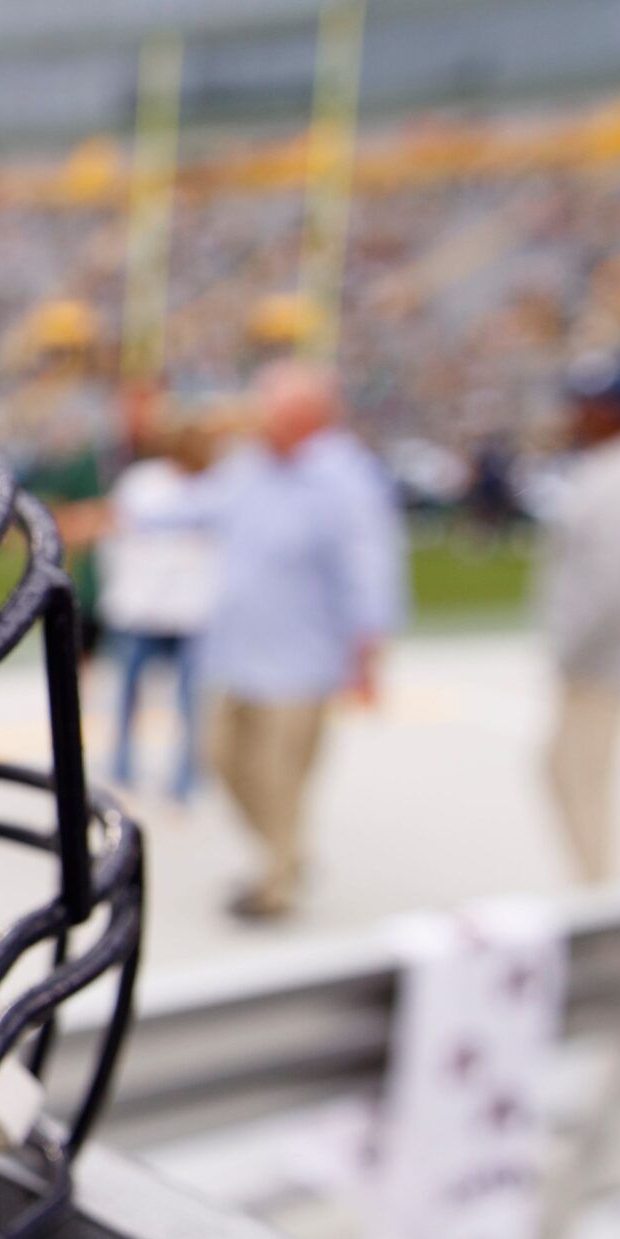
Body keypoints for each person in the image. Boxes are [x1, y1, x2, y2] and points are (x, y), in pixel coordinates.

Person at [199, 360, 404, 922]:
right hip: (236, 653)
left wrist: (368, 654)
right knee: (221, 760)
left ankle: (277, 883)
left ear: (305, 415)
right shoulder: (247, 468)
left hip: (301, 662)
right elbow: (200, 508)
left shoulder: (345, 478)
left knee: (281, 775)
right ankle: (284, 853)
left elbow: (370, 570)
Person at [99, 405, 222, 804]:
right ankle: (122, 767)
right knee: (129, 695)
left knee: (191, 703)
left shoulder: (219, 486)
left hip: (194, 612)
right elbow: (122, 536)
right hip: (142, 607)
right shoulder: (144, 482)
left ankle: (185, 778)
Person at [541, 354, 620, 884]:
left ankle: (597, 903)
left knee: (573, 775)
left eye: (590, 404)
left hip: (600, 663)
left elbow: (609, 582)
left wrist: (569, 651)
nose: (577, 414)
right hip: (600, 659)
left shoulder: (609, 477)